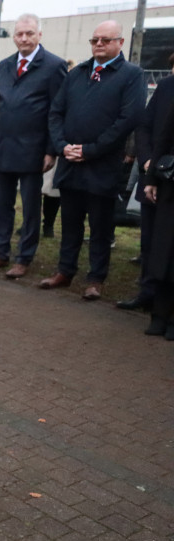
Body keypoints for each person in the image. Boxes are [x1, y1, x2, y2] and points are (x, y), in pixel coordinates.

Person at [40, 20, 146, 300]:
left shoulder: (131, 75)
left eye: (106, 40)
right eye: (95, 39)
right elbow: (56, 112)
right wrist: (62, 146)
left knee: (100, 226)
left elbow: (128, 119)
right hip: (70, 162)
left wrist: (90, 150)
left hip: (102, 165)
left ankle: (96, 278)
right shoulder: (77, 73)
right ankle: (65, 271)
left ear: (120, 43)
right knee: (70, 221)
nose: (99, 44)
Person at [0, 14, 67, 279]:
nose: (24, 38)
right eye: (19, 34)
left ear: (39, 35)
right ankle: (0, 253)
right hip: (4, 147)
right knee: (2, 204)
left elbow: (57, 111)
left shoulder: (54, 66)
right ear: (14, 37)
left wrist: (51, 150)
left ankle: (24, 258)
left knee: (30, 209)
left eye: (29, 33)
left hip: (34, 150)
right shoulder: (6, 65)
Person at [118, 55, 174, 312]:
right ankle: (148, 292)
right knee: (149, 239)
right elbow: (144, 126)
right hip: (154, 175)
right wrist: (148, 160)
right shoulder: (166, 86)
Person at [141, 103, 174, 338]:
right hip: (171, 187)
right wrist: (151, 179)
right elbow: (164, 138)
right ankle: (159, 314)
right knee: (165, 250)